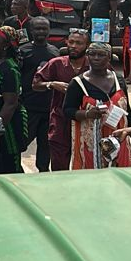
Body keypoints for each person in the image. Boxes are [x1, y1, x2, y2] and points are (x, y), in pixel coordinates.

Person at [63, 42, 131, 170]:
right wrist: (87, 114)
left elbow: (127, 110)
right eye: (92, 54)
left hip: (118, 140)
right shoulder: (78, 84)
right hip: (90, 145)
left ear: (109, 57)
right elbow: (67, 110)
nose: (96, 58)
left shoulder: (119, 80)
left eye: (101, 55)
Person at [33, 28, 90, 171]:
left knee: (86, 162)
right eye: (71, 42)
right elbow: (35, 84)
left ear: (87, 46)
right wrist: (51, 84)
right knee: (59, 165)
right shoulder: (56, 64)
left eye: (79, 43)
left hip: (86, 120)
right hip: (60, 119)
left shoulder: (94, 64)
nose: (74, 46)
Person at [17, 17, 59, 171]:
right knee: (21, 141)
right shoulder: (22, 51)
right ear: (31, 31)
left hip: (48, 107)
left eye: (44, 29)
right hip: (29, 106)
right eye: (37, 29)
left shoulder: (55, 52)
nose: (41, 32)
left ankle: (43, 171)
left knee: (45, 143)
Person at [0, 27, 27, 174]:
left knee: (8, 165)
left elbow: (10, 104)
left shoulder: (10, 69)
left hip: (7, 125)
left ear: (6, 45)